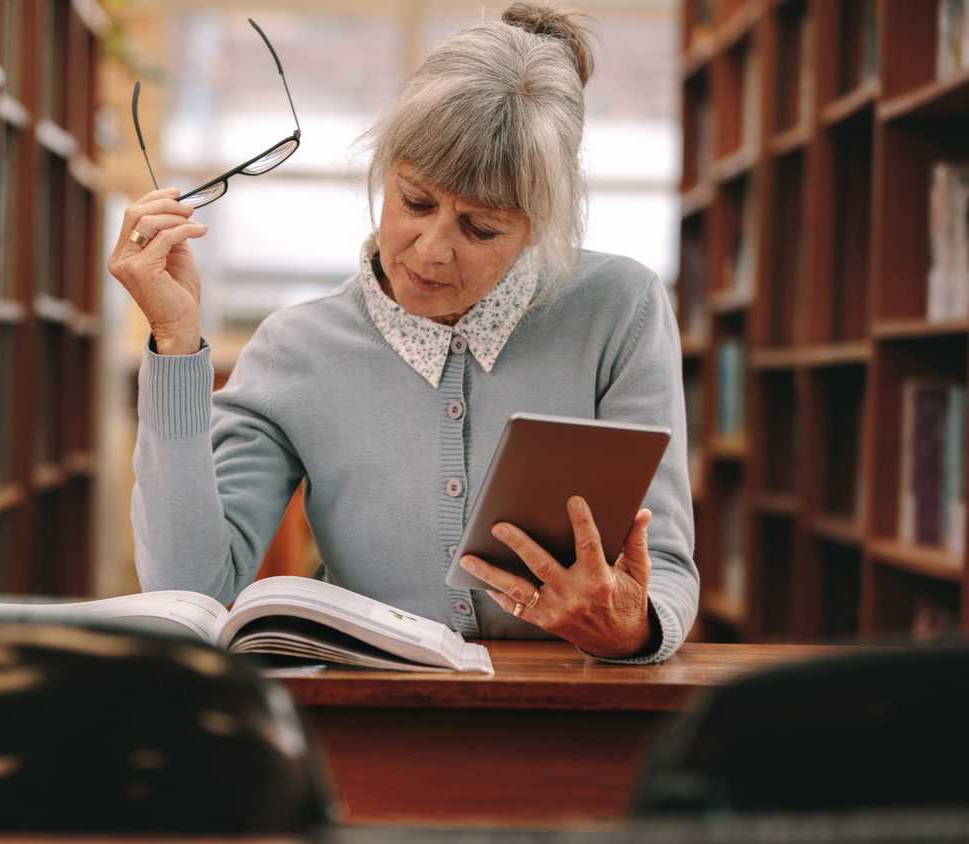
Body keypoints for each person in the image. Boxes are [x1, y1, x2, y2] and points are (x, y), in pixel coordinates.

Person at [107, 3, 697, 663]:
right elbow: (190, 592)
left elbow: (665, 569)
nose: (433, 249)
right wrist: (175, 344)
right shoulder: (294, 349)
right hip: (368, 717)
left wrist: (630, 626)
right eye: (414, 202)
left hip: (567, 714)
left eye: (482, 228)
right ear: (383, 171)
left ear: (541, 227)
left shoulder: (620, 310)